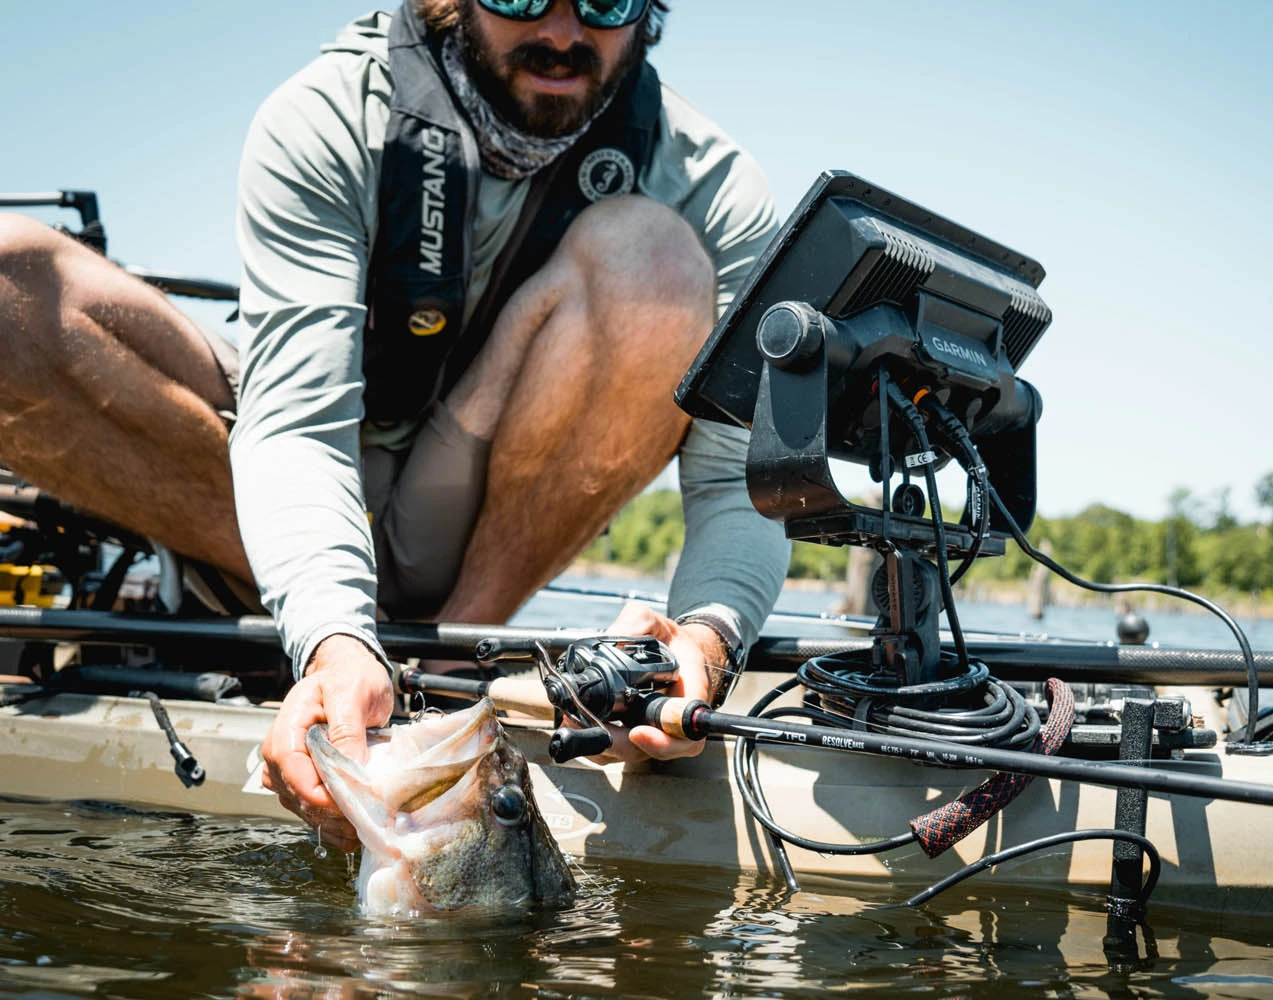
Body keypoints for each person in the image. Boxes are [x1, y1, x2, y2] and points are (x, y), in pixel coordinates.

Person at [0, 0, 790, 852]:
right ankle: (319, 628)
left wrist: (705, 644)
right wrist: (334, 637)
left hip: (464, 533)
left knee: (656, 259)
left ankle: (447, 673)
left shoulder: (717, 191)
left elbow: (738, 482)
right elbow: (299, 426)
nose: (564, 34)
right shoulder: (326, 113)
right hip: (259, 486)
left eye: (604, 0)